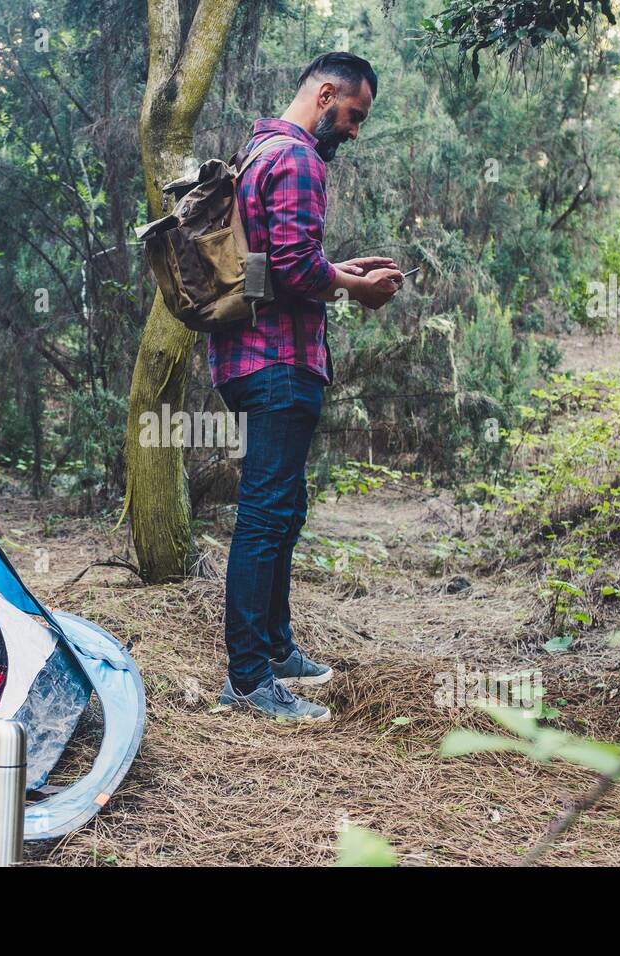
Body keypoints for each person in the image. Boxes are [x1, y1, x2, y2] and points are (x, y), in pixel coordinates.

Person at [212, 52, 402, 722]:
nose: (353, 131)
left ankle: (275, 645)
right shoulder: (296, 158)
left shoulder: (256, 151)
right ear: (326, 94)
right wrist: (360, 288)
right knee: (266, 517)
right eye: (354, 115)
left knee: (285, 507)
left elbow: (274, 262)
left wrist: (337, 268)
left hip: (246, 359)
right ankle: (247, 679)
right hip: (278, 365)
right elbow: (294, 270)